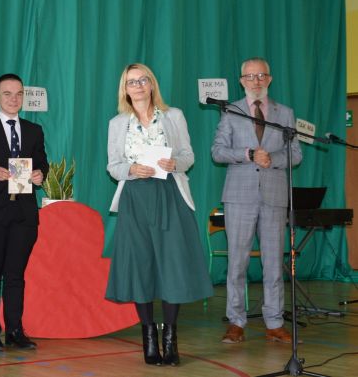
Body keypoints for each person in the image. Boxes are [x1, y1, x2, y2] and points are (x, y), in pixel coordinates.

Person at [105, 63, 212, 366]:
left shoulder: (173, 116)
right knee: (140, 266)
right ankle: (149, 336)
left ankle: (170, 337)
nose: (138, 86)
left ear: (152, 84)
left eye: (143, 80)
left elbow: (188, 156)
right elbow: (113, 166)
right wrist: (131, 169)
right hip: (135, 198)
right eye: (131, 82)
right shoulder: (117, 123)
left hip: (169, 195)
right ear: (125, 89)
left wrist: (175, 164)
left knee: (172, 264)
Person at [211, 57, 302, 345]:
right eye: (250, 76)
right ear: (242, 81)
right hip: (239, 197)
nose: (256, 81)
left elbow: (295, 154)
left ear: (270, 79)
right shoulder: (231, 111)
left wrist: (271, 159)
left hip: (274, 197)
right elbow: (217, 152)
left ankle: (274, 322)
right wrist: (248, 154)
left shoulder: (285, 113)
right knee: (237, 263)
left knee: (274, 263)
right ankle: (236, 322)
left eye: (261, 75)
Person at [0, 73, 49, 352]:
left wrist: (40, 174)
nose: (13, 99)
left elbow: (42, 163)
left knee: (16, 275)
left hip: (24, 213)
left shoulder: (34, 131)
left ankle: (15, 331)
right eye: (7, 94)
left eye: (18, 94)